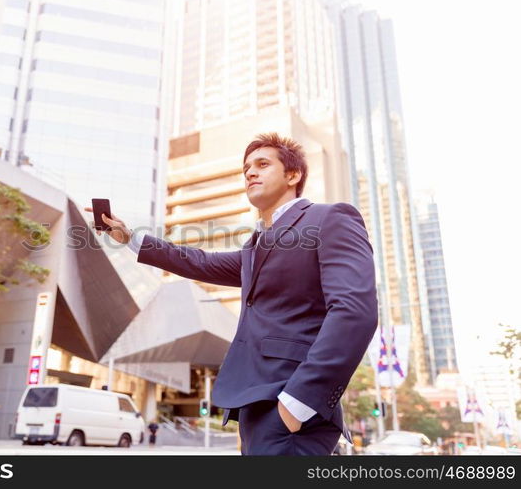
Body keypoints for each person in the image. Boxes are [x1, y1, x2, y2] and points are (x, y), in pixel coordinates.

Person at [85, 133, 378, 455]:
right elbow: (199, 262)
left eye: (263, 164)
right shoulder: (255, 245)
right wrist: (129, 237)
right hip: (255, 402)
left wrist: (299, 402)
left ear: (293, 175)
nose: (250, 172)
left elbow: (354, 312)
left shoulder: (330, 218)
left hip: (290, 401)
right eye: (246, 168)